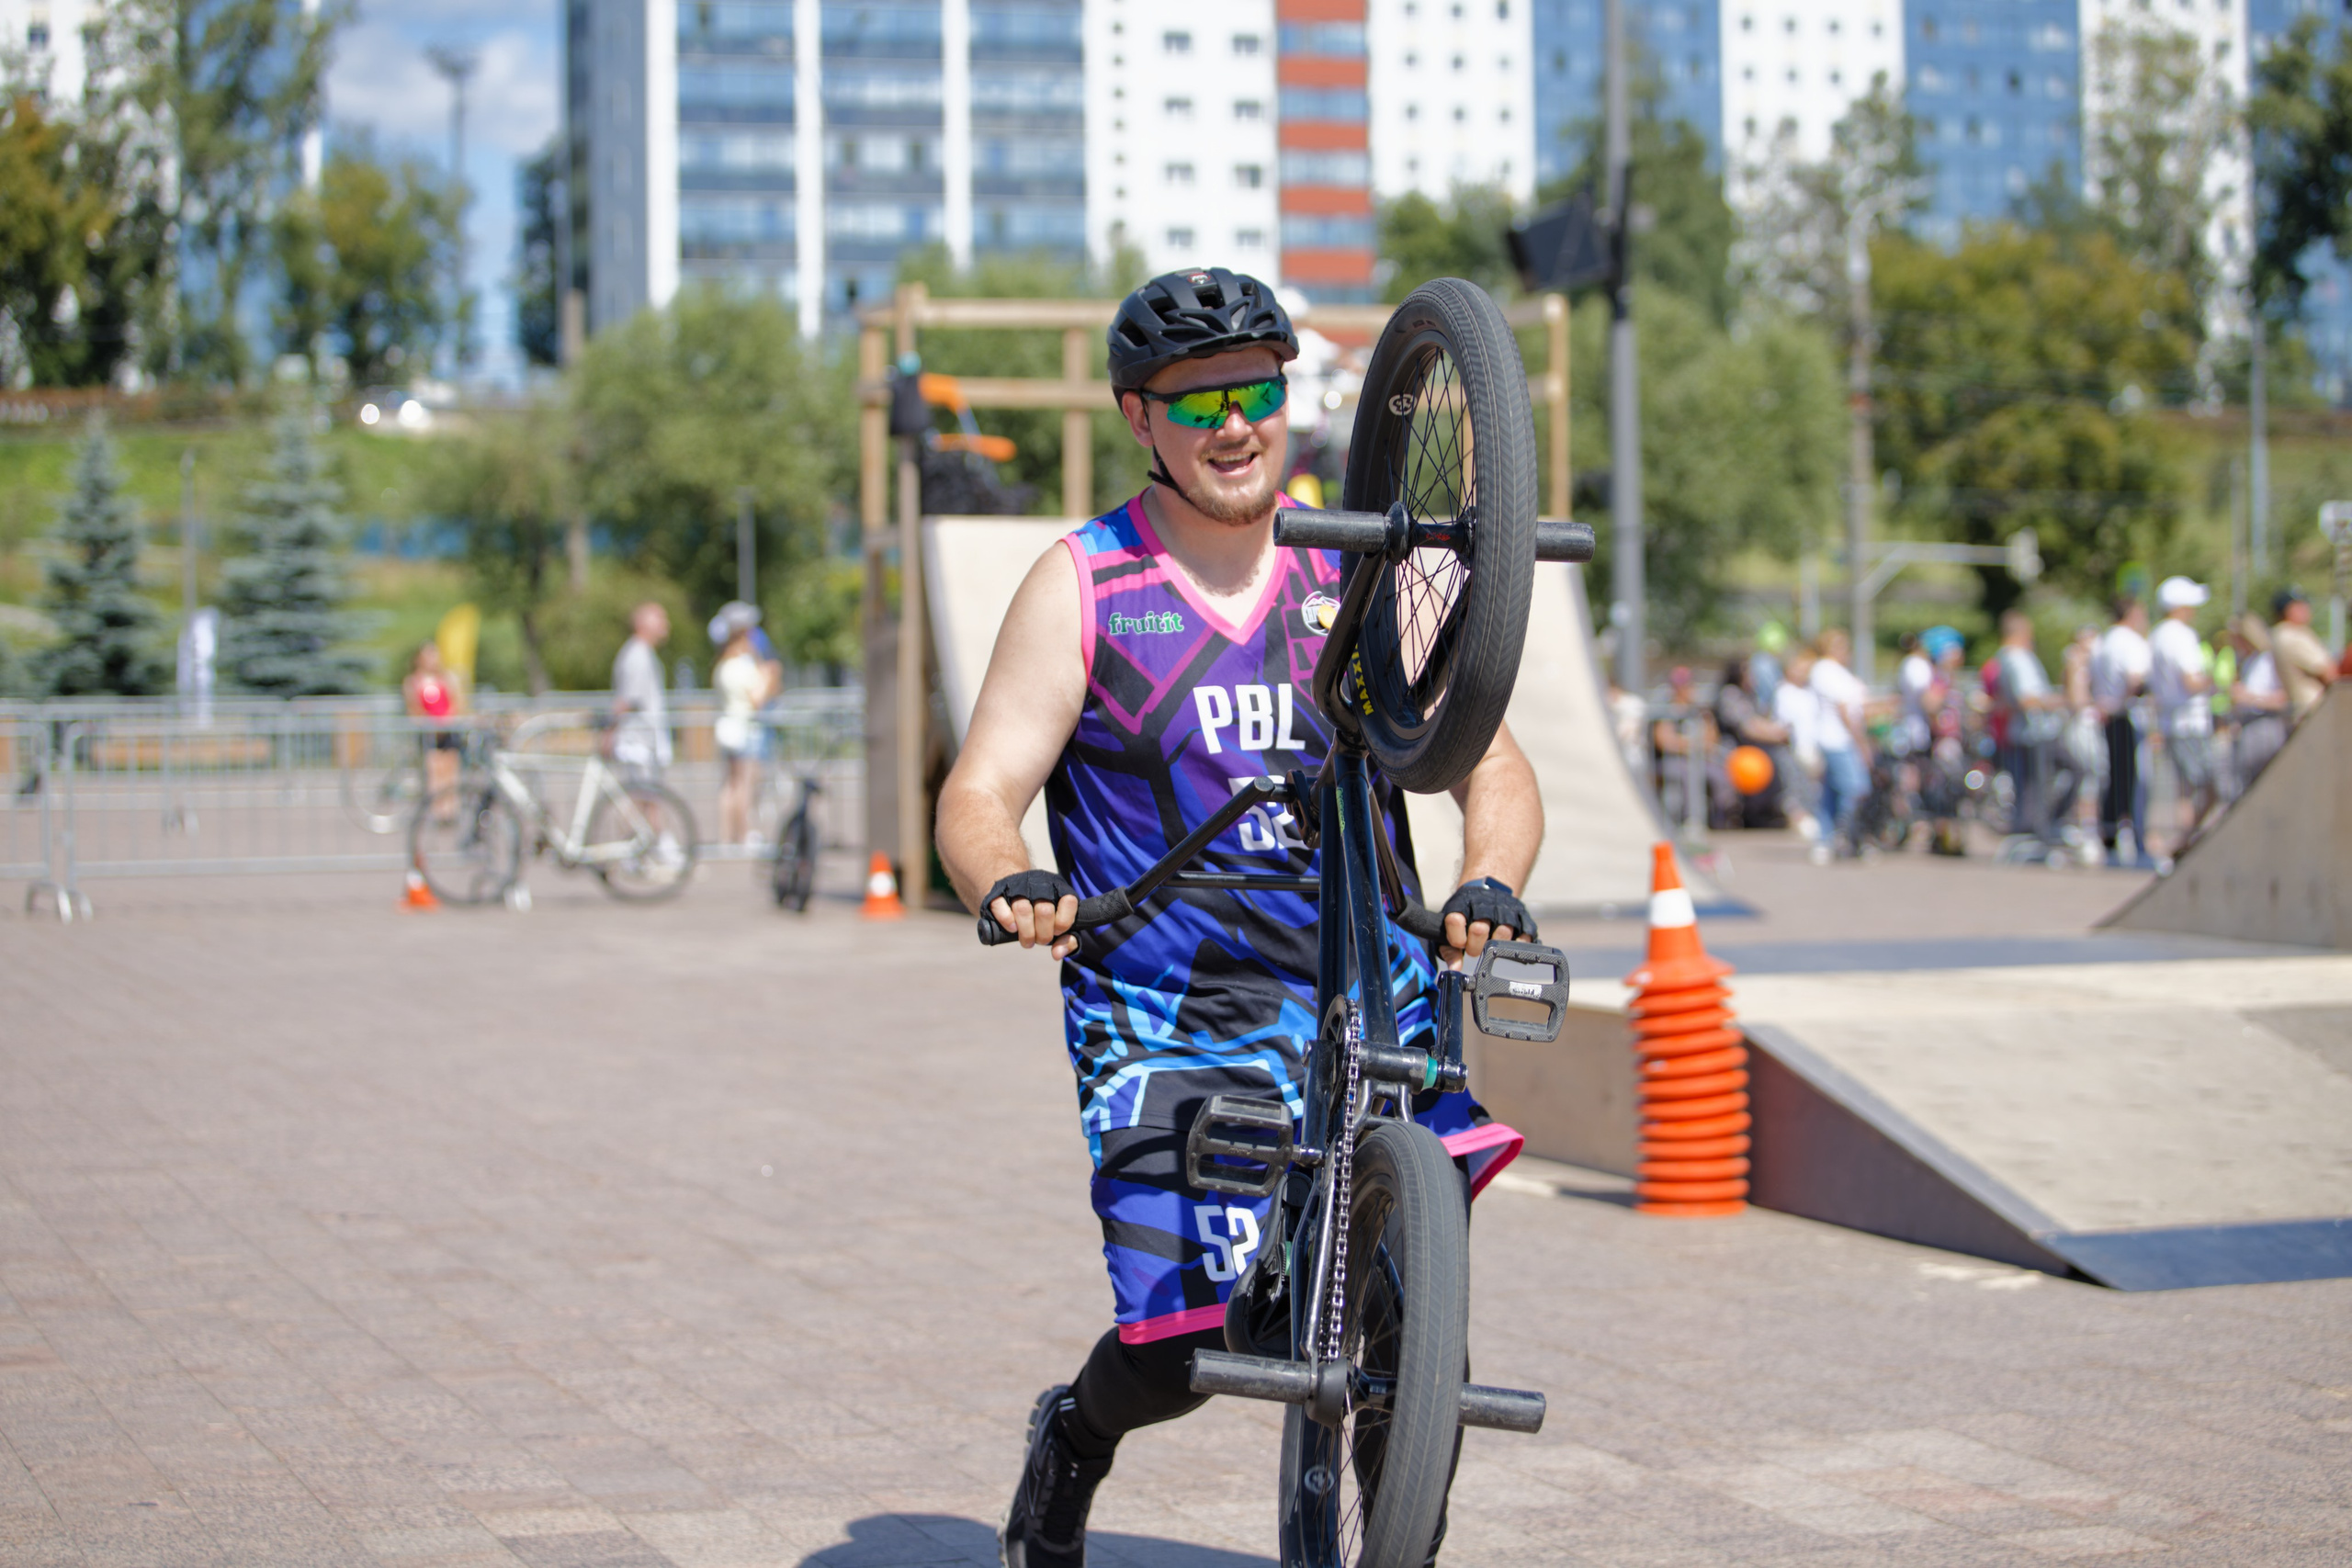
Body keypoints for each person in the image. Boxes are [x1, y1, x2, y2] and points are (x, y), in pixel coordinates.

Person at [931, 268, 1540, 1568]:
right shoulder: (1085, 583)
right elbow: (979, 790)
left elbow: (1491, 759)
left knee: (1409, 1323)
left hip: (1366, 991)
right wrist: (1008, 877)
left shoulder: (1361, 563)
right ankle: (1077, 1435)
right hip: (1170, 1009)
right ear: (1138, 419)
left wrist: (1489, 877)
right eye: (1195, 399)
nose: (1232, 422)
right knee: (1194, 1348)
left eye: (1255, 389)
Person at [2147, 576, 2217, 842]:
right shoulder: (2182, 635)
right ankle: (2185, 843)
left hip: (2170, 721)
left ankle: (2183, 843)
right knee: (2208, 787)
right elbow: (2191, 681)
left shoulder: (2157, 634)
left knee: (2184, 792)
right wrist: (2214, 683)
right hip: (2190, 722)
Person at [1994, 611, 2068, 847]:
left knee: (2032, 786)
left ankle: (2037, 829)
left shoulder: (2005, 658)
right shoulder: (2016, 658)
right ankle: (2039, 832)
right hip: (2035, 731)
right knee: (2038, 786)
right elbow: (2026, 698)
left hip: (2028, 732)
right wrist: (2056, 701)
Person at [2088, 596, 2153, 866]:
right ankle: (2134, 841)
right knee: (2134, 781)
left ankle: (2111, 836)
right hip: (2128, 716)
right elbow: (2135, 679)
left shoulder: (2102, 643)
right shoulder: (2129, 641)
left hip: (2111, 716)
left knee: (2114, 778)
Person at [712, 604, 781, 844]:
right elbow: (758, 699)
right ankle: (743, 834)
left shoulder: (722, 665)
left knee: (730, 785)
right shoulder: (742, 666)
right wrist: (769, 675)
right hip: (745, 729)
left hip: (729, 728)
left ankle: (726, 836)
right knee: (744, 785)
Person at [1805, 632, 1871, 859]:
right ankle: (1848, 836)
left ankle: (1825, 840)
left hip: (1836, 739)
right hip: (1837, 740)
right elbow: (1845, 710)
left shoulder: (1833, 671)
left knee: (1831, 793)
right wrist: (1861, 742)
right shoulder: (1826, 669)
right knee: (1856, 789)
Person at [1713, 654, 1791, 829]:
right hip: (1736, 751)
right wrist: (1775, 734)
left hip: (1754, 750)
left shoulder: (1751, 696)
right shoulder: (1730, 694)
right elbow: (1748, 725)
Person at [1772, 643, 1829, 857]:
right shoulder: (1784, 692)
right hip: (1796, 748)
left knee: (1813, 787)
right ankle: (1799, 820)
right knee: (1797, 786)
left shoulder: (1810, 692)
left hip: (1813, 746)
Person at [611, 602, 673, 782]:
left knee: (649, 798)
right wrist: (610, 731)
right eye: (659, 618)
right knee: (645, 797)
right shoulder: (637, 655)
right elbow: (628, 700)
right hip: (639, 739)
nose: (666, 624)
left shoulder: (643, 652)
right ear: (642, 623)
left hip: (647, 737)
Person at [2228, 614, 2290, 787]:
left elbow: (2283, 698)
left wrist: (2250, 698)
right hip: (2249, 726)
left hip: (2266, 725)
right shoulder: (2249, 661)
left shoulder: (2269, 660)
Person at [402, 640, 462, 805]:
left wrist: (446, 721)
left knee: (450, 771)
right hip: (429, 732)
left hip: (448, 730)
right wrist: (429, 724)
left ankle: (451, 808)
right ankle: (437, 809)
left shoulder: (446, 679)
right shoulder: (413, 681)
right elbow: (413, 708)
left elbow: (455, 703)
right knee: (434, 771)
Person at [2272, 586, 2336, 725]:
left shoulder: (2280, 634)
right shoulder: (2293, 634)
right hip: (2315, 712)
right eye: (2299, 605)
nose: (2306, 608)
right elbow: (2329, 674)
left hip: (2303, 713)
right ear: (2286, 610)